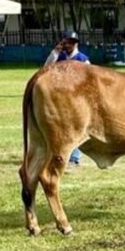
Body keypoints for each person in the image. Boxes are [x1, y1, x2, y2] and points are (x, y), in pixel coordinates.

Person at [44, 30, 90, 166]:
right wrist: (55, 52)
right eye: (67, 42)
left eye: (72, 42)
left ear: (76, 44)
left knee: (75, 128)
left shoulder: (83, 59)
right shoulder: (59, 57)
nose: (69, 45)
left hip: (77, 99)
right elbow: (46, 68)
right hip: (60, 98)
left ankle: (74, 157)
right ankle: (59, 155)